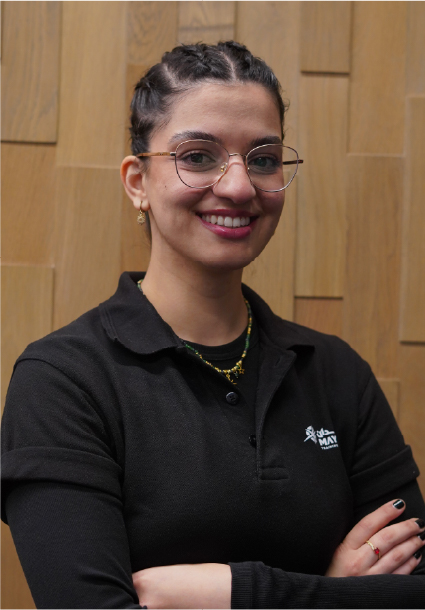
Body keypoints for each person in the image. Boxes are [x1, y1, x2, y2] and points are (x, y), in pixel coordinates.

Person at [1, 41, 425, 609]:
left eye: (264, 158)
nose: (239, 186)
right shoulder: (63, 381)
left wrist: (234, 593)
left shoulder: (336, 373)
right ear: (137, 182)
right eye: (198, 156)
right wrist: (339, 591)